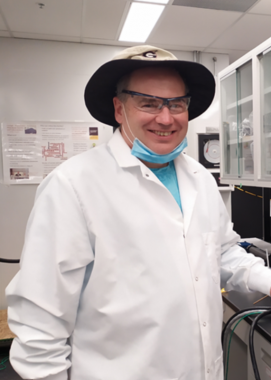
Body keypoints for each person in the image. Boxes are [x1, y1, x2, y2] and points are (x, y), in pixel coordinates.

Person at [6, 45, 271, 380]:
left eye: (177, 104)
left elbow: (221, 252)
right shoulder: (73, 185)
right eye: (148, 103)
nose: (166, 117)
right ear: (119, 109)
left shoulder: (200, 179)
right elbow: (40, 321)